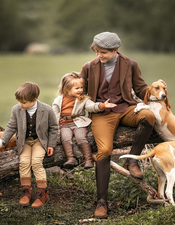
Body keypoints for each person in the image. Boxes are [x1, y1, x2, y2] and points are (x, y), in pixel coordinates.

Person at [80, 32, 157, 218]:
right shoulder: (89, 67)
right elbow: (79, 93)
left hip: (125, 108)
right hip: (102, 113)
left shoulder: (130, 64)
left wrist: (155, 88)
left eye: (103, 52)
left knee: (148, 116)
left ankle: (132, 160)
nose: (99, 55)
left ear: (115, 50)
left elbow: (140, 88)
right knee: (105, 150)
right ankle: (101, 202)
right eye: (97, 51)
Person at [0, 82, 58, 208]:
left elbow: (54, 128)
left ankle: (42, 193)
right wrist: (2, 142)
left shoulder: (47, 109)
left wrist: (51, 145)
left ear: (34, 100)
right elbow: (11, 126)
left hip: (39, 141)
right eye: (19, 101)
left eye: (24, 102)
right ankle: (26, 192)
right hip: (24, 141)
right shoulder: (16, 109)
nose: (21, 104)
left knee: (36, 162)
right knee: (25, 162)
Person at [52, 72, 116, 169]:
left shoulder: (83, 99)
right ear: (67, 89)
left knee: (81, 138)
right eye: (77, 88)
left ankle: (88, 160)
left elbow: (91, 107)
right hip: (65, 125)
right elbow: (54, 113)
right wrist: (58, 121)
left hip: (79, 123)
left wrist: (102, 105)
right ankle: (71, 159)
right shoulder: (58, 100)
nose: (80, 90)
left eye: (81, 87)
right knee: (65, 139)